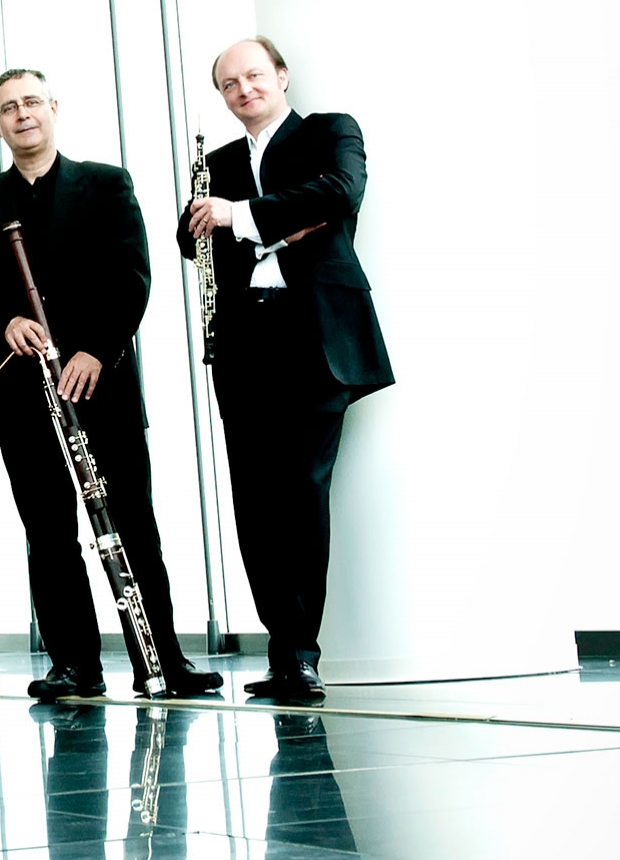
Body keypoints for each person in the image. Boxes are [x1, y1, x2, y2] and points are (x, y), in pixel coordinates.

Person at [0, 69, 223, 700]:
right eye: (8, 108)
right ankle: (75, 665)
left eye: (31, 102)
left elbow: (133, 276)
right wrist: (3, 322)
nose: (22, 114)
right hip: (23, 392)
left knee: (134, 525)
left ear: (53, 108)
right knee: (48, 534)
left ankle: (164, 661)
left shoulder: (106, 184)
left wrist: (98, 349)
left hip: (102, 385)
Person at [178, 37, 394, 699]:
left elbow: (341, 191)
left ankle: (302, 653)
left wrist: (242, 218)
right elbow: (190, 238)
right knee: (255, 501)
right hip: (243, 341)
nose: (244, 89)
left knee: (301, 491)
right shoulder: (215, 163)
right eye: (230, 84)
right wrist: (283, 223)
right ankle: (281, 649)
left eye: (254, 75)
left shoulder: (330, 132)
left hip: (314, 337)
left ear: (281, 75)